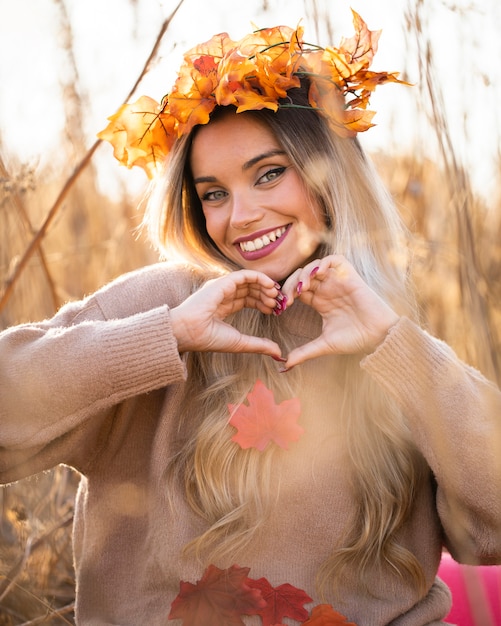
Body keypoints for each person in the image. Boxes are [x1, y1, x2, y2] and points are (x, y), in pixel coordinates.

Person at [1, 13, 501, 626]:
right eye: (213, 193)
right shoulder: (165, 304)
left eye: (269, 174)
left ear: (329, 175)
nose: (240, 215)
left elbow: (492, 531)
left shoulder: (389, 333)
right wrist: (165, 337)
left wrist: (397, 347)